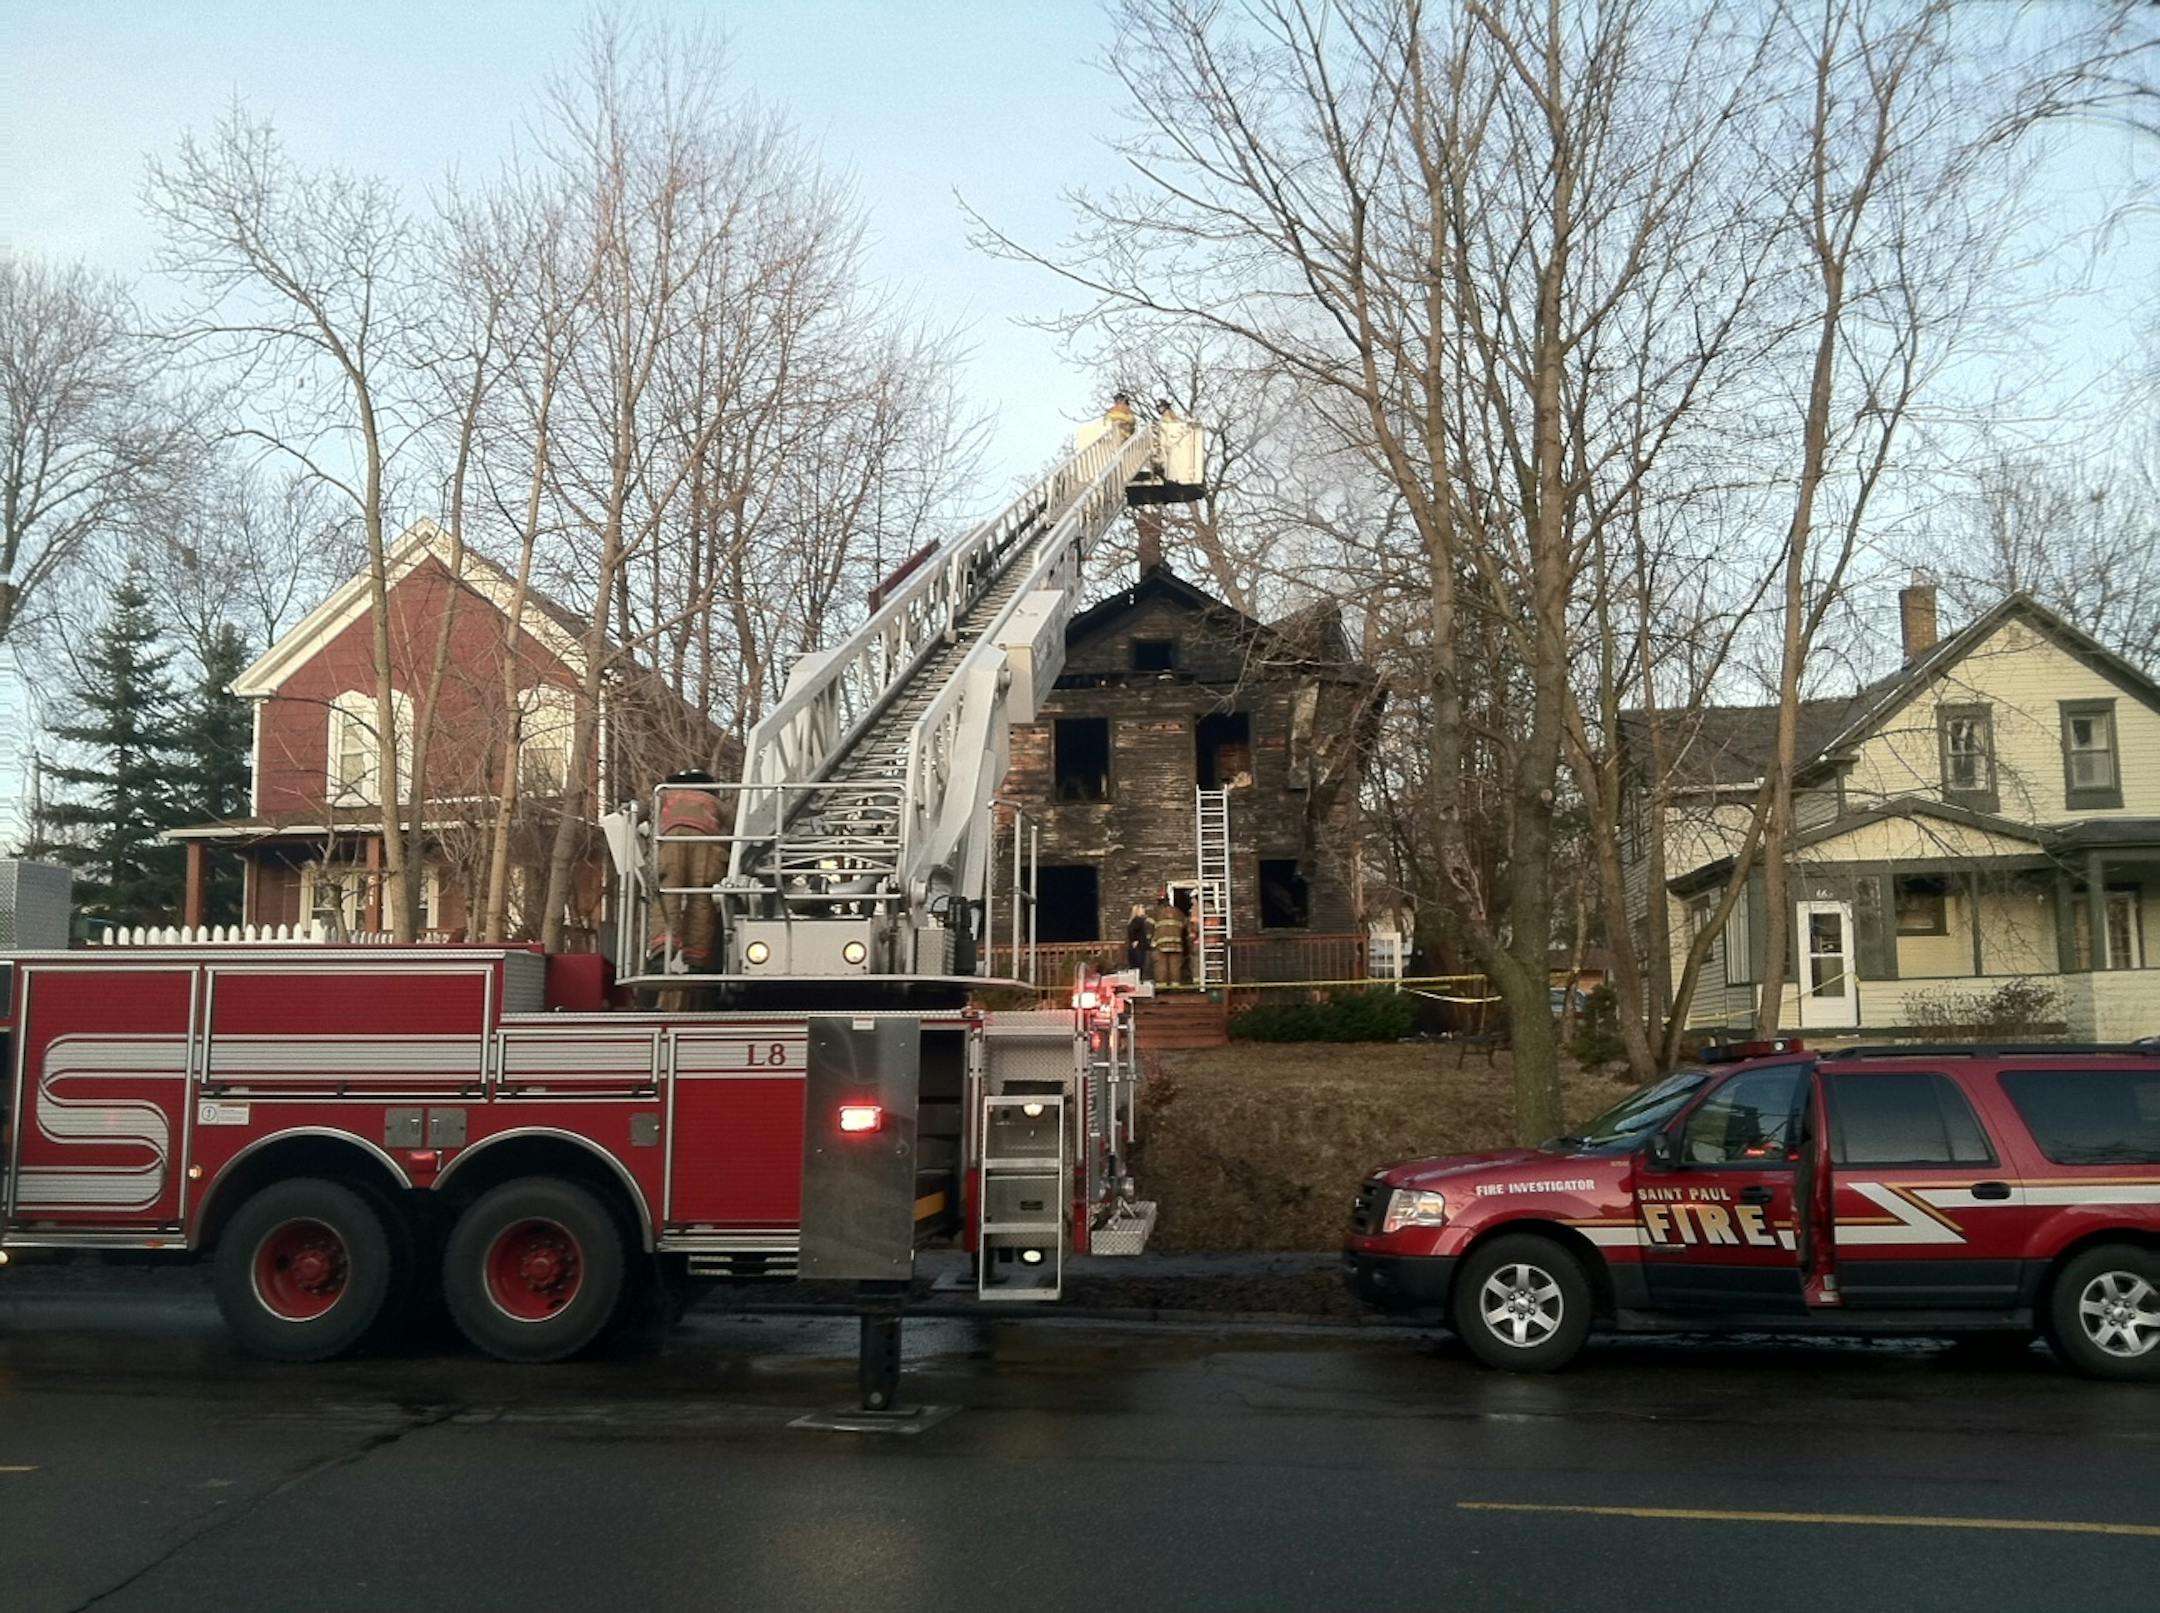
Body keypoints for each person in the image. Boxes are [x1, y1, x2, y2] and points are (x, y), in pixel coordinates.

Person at [1151, 892, 1189, 986]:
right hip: (1176, 944)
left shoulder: (1156, 912)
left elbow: (1149, 927)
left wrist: (1151, 941)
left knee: (1161, 966)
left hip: (1161, 944)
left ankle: (1162, 987)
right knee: (1175, 966)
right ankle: (1175, 986)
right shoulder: (1178, 912)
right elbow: (1186, 925)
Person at [1126, 903, 1152, 978]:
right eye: (1142, 909)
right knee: (1139, 966)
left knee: (1136, 967)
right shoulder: (1138, 920)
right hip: (1139, 948)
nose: (1144, 910)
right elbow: (1131, 931)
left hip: (1138, 947)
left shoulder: (1136, 920)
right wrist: (1134, 940)